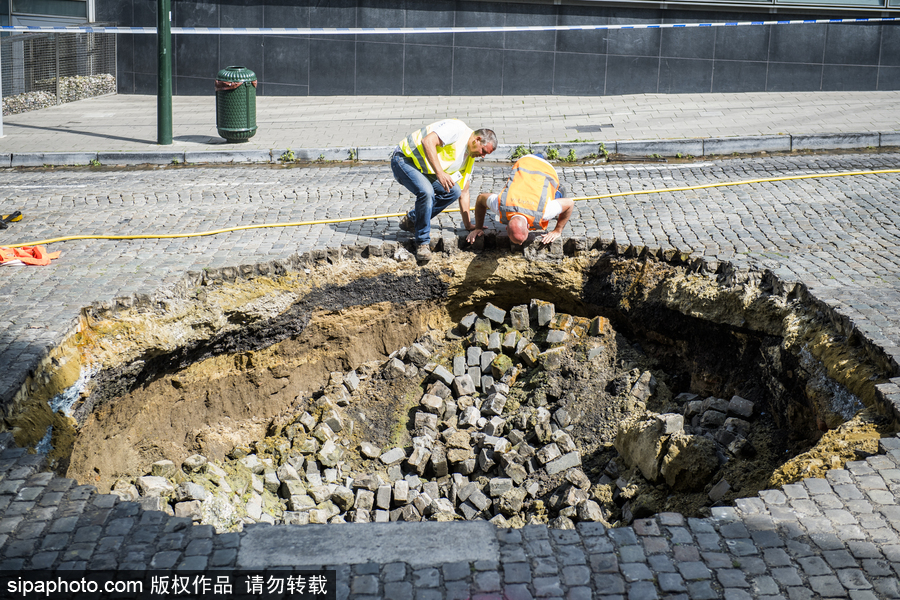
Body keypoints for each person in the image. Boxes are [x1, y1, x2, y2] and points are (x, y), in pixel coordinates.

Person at [392, 119, 497, 262]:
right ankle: (422, 243)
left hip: (424, 170)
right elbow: (427, 142)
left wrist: (468, 225)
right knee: (426, 192)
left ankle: (412, 219)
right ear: (477, 140)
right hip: (404, 159)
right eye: (483, 151)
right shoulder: (457, 129)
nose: (483, 156)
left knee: (453, 191)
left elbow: (463, 191)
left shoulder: (469, 157)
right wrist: (440, 173)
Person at [465, 153, 574, 246]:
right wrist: (477, 228)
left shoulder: (544, 212)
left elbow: (569, 203)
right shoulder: (500, 206)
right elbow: (480, 199)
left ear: (507, 228)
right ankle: (539, 155)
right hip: (525, 161)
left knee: (556, 197)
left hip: (546, 169)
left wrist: (557, 231)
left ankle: (559, 190)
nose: (521, 245)